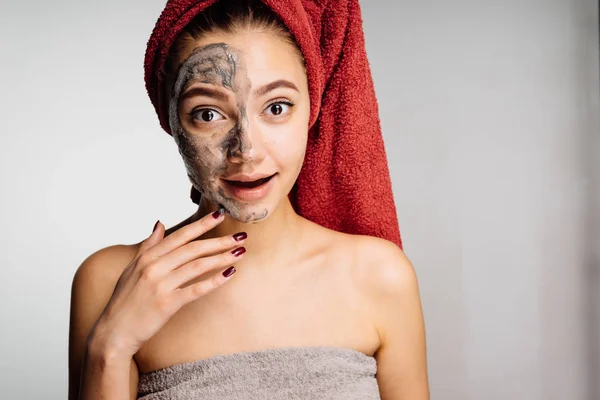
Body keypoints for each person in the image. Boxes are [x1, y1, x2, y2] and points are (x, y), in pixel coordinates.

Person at [68, 0, 429, 399]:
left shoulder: (380, 276)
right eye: (207, 114)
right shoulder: (110, 280)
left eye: (276, 107)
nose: (247, 151)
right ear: (169, 120)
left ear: (313, 108)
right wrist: (110, 348)